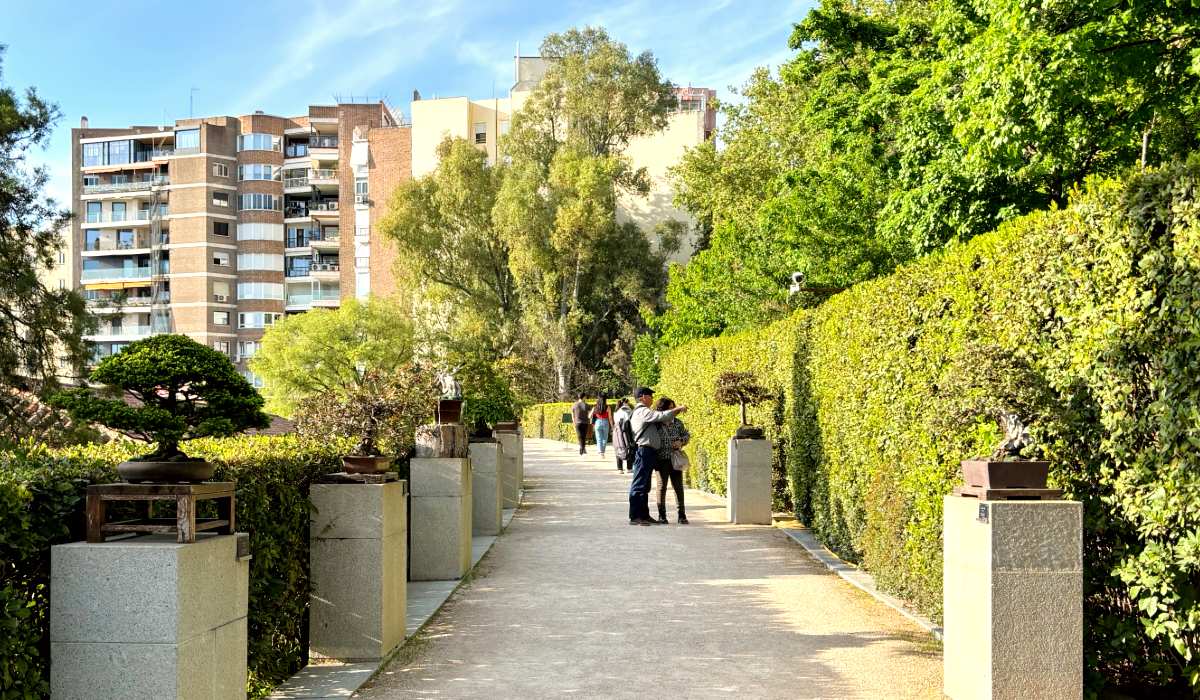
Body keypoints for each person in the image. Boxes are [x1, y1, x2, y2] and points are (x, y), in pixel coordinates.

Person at [628, 387, 687, 525]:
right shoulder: (642, 411)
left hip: (649, 452)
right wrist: (677, 409)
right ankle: (635, 516)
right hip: (644, 451)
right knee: (639, 485)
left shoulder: (644, 411)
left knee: (645, 485)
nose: (652, 399)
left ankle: (644, 515)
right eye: (650, 396)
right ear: (642, 397)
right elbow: (661, 416)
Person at [653, 397, 690, 524]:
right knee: (661, 486)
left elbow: (686, 434)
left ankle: (682, 515)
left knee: (678, 487)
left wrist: (681, 441)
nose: (673, 410)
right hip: (661, 459)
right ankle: (662, 516)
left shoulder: (678, 423)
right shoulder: (656, 424)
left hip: (675, 458)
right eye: (669, 408)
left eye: (673, 408)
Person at [612, 399, 633, 474]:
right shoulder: (626, 410)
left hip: (617, 432)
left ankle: (620, 468)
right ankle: (629, 468)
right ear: (625, 403)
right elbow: (629, 422)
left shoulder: (616, 411)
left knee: (618, 447)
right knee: (628, 447)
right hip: (626, 431)